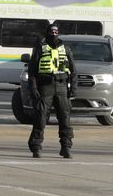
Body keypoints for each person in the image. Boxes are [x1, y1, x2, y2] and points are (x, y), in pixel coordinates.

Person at [27, 23, 77, 159]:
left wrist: (73, 88)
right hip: (45, 87)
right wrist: (34, 89)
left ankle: (66, 147)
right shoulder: (40, 48)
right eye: (51, 32)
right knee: (40, 118)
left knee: (65, 118)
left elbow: (73, 70)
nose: (53, 34)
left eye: (56, 32)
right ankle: (36, 147)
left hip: (62, 87)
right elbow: (31, 71)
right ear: (47, 32)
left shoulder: (65, 48)